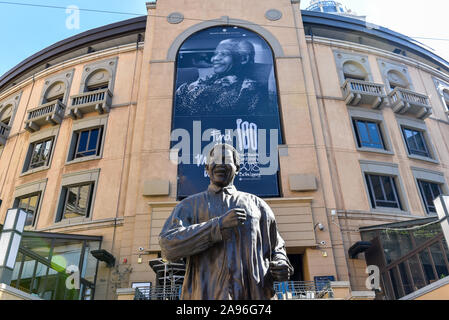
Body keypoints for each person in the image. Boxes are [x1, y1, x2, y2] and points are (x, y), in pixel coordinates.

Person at [159, 144, 293, 300]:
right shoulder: (188, 206)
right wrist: (217, 226)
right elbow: (168, 245)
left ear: (237, 167)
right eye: (215, 160)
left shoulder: (258, 206)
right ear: (207, 167)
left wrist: (281, 264)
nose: (220, 164)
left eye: (226, 159)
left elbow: (277, 247)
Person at [175, 38, 265, 115]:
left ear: (244, 59)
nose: (214, 59)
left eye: (223, 54)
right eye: (215, 54)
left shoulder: (248, 88)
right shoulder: (208, 79)